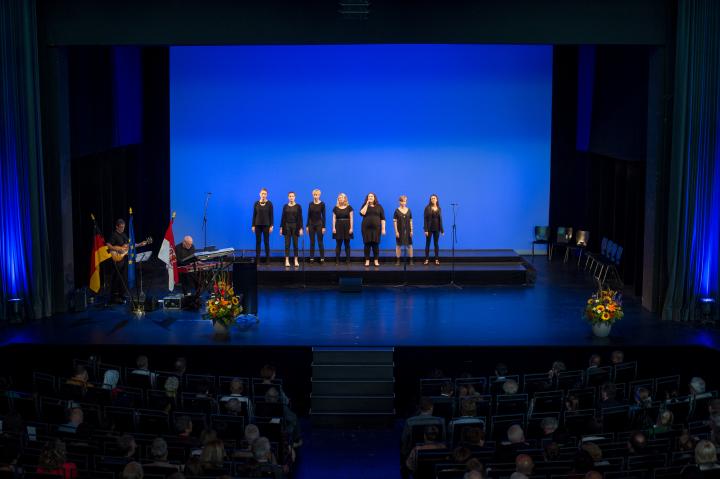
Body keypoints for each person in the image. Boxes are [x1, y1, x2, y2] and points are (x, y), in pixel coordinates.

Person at [359, 192, 386, 267]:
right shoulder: (364, 205)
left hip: (376, 229)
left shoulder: (379, 206)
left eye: (372, 196)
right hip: (366, 229)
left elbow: (383, 219)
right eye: (369, 196)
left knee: (375, 245)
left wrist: (383, 229)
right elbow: (362, 213)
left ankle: (376, 260)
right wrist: (367, 204)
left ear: (374, 198)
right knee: (367, 244)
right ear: (367, 198)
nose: (370, 197)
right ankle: (367, 260)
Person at [107, 218, 129, 303]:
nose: (122, 229)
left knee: (123, 278)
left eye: (123, 227)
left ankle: (121, 295)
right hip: (117, 259)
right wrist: (117, 250)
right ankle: (114, 296)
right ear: (117, 227)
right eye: (121, 227)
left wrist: (140, 244)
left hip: (123, 259)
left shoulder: (124, 235)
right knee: (116, 278)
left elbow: (127, 245)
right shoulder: (114, 235)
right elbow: (108, 244)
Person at [280, 192, 303, 269]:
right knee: (287, 244)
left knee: (295, 244)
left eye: (292, 196)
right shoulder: (285, 206)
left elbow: (300, 218)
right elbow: (283, 217)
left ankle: (296, 259)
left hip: (295, 226)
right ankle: (287, 260)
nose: (291, 197)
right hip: (286, 226)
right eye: (290, 196)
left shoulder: (298, 206)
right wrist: (281, 227)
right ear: (288, 197)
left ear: (295, 197)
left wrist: (301, 228)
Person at [251, 188, 274, 264]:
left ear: (267, 195)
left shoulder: (270, 203)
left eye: (265, 194)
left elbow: (271, 215)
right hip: (257, 225)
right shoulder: (256, 203)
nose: (263, 195)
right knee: (258, 242)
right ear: (260, 194)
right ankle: (258, 259)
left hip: (266, 225)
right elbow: (254, 215)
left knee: (266, 242)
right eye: (262, 193)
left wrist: (271, 225)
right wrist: (253, 225)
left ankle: (268, 259)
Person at [332, 193, 354, 265]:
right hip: (338, 226)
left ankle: (348, 260)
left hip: (347, 226)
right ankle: (337, 260)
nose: (340, 199)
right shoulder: (335, 208)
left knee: (347, 244)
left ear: (345, 199)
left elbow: (351, 218)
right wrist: (334, 228)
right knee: (338, 244)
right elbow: (334, 219)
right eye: (339, 198)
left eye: (342, 197)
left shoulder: (349, 207)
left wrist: (351, 228)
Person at [307, 189, 326, 264]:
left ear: (319, 195)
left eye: (317, 195)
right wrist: (307, 225)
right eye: (314, 195)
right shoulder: (310, 204)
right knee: (312, 242)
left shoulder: (322, 204)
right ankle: (311, 258)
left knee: (320, 241)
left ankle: (322, 258)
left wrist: (324, 227)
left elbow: (324, 216)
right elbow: (308, 215)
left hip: (319, 224)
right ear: (313, 195)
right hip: (311, 224)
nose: (315, 196)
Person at [423, 194, 444, 265]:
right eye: (432, 198)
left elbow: (440, 220)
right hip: (429, 229)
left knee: (436, 244)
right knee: (427, 244)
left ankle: (436, 259)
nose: (433, 199)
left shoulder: (439, 208)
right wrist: (425, 230)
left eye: (434, 198)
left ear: (437, 199)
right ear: (430, 200)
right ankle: (426, 259)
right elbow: (425, 219)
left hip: (437, 228)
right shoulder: (427, 208)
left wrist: (442, 230)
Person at [393, 195, 414, 266]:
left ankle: (411, 260)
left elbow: (411, 221)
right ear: (399, 202)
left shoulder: (409, 210)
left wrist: (411, 230)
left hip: (408, 230)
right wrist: (396, 231)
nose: (403, 202)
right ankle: (398, 260)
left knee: (410, 245)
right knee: (398, 245)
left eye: (404, 201)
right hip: (399, 230)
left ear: (406, 202)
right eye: (402, 201)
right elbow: (395, 222)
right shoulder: (396, 211)